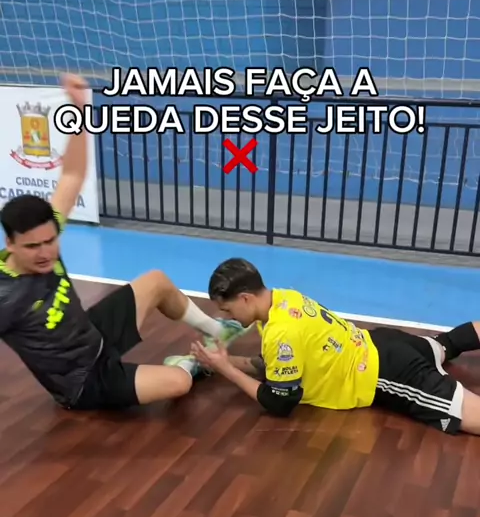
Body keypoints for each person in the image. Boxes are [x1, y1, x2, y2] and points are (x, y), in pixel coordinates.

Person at [0, 74, 247, 412]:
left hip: (93, 331)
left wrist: (79, 111)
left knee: (157, 281)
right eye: (33, 247)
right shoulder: (4, 295)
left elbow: (72, 175)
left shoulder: (46, 233)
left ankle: (218, 331)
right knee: (180, 383)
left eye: (50, 241)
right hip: (83, 380)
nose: (46, 252)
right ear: (11, 244)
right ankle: (193, 363)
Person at [168, 257, 480, 437]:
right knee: (448, 343)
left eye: (228, 309)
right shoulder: (284, 299)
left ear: (246, 298)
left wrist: (226, 370)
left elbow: (279, 402)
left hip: (387, 373)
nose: (227, 317)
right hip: (383, 341)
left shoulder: (281, 332)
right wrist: (222, 361)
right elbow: (273, 366)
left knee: (469, 415)